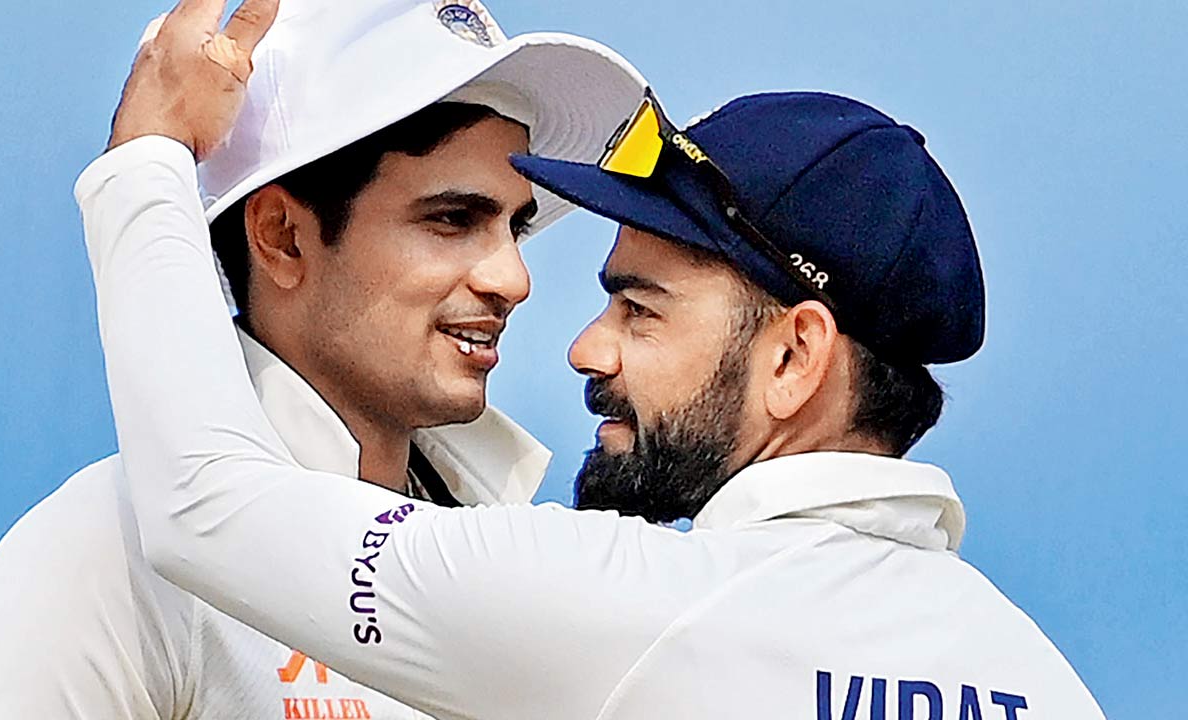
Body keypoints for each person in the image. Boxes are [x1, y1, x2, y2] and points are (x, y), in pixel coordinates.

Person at [81, 1, 1108, 718]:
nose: (583, 342)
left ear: (796, 357)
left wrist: (145, 164)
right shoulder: (1045, 681)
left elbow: (207, 509)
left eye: (639, 306)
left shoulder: (639, 609)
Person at [0, 0, 644, 718]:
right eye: (452, 219)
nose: (512, 279)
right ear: (282, 236)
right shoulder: (101, 554)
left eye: (515, 227)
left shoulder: (508, 544)